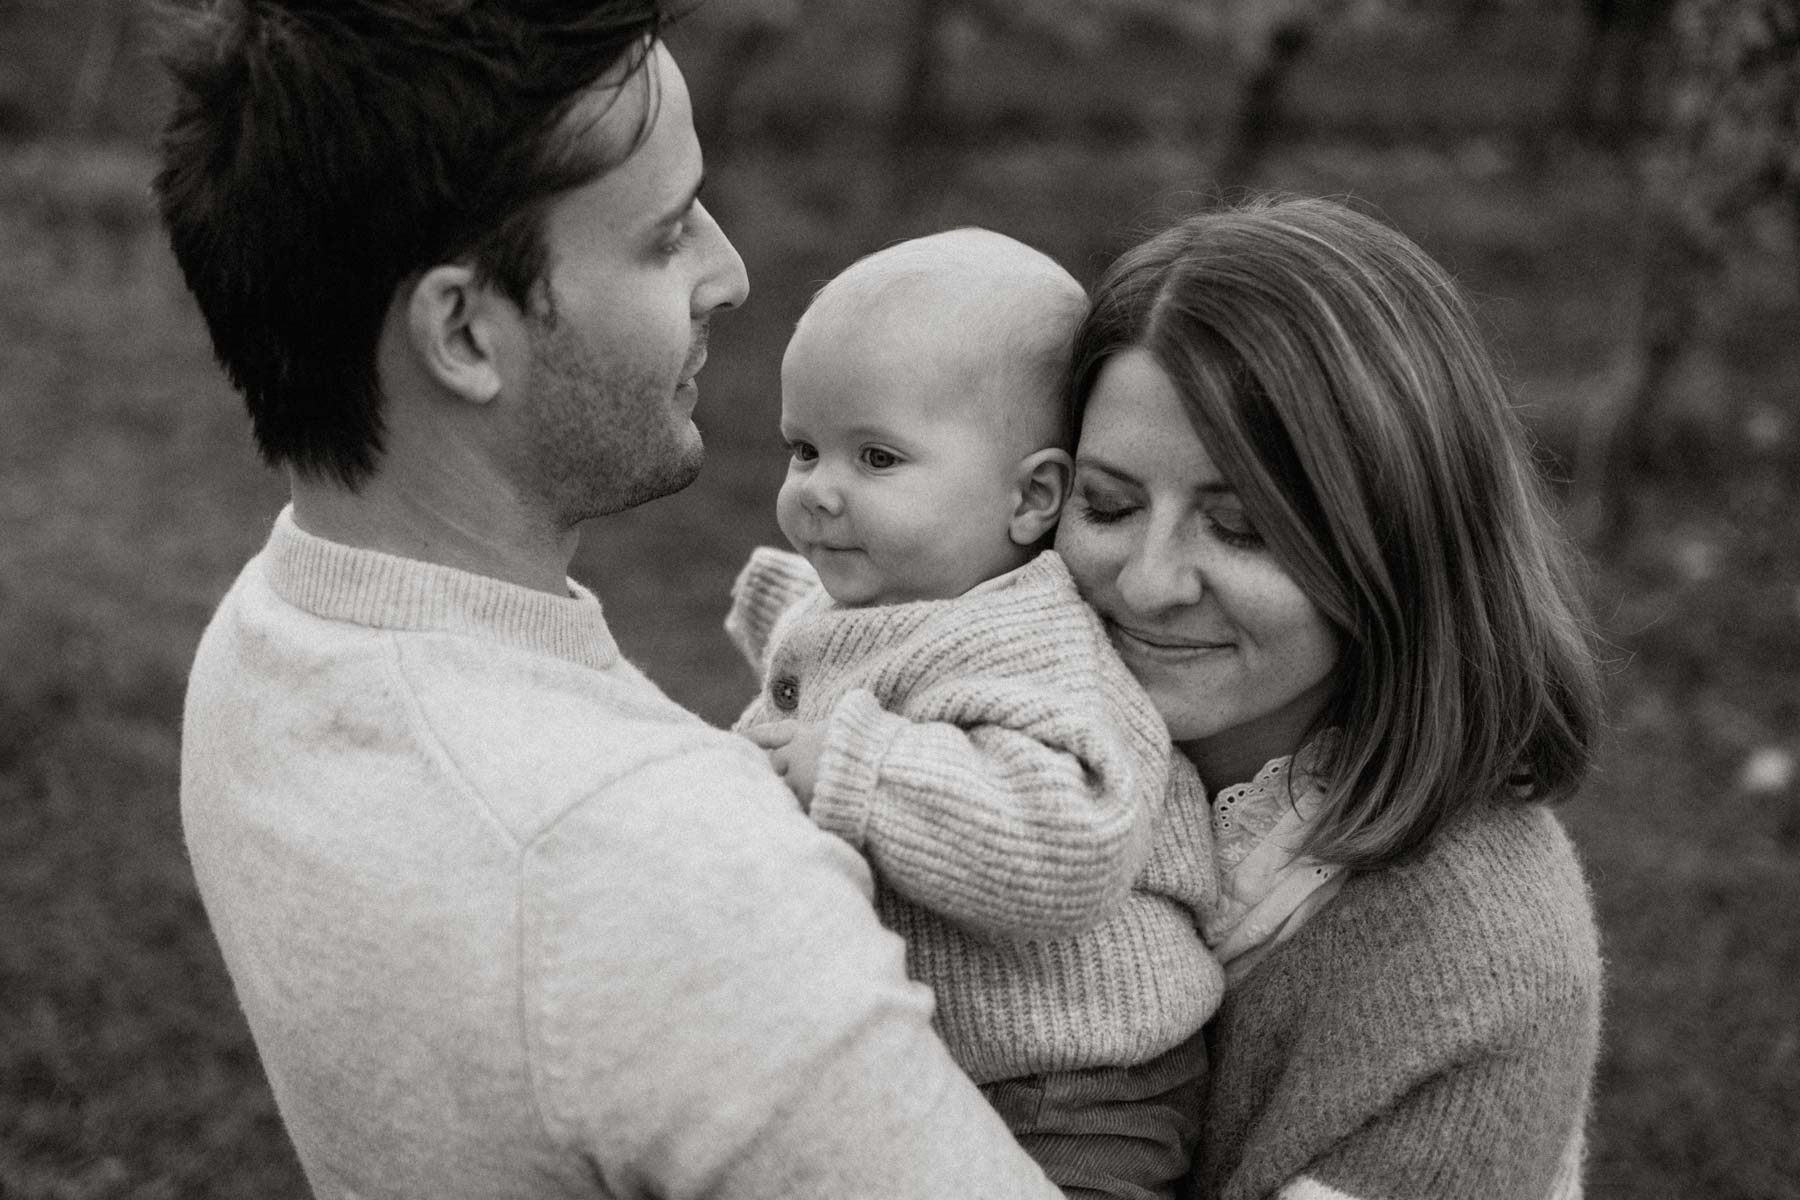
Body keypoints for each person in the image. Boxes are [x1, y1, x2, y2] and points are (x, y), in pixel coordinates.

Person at [156, 3, 1066, 1196]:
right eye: (667, 232)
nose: (730, 276)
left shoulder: (270, 638)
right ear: (466, 332)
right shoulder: (662, 869)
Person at [1054, 196, 1606, 1200]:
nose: (1145, 582)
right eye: (1108, 503)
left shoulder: (1478, 965)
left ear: (1394, 541)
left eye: (1242, 528)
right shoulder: (1024, 739)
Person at [724, 229, 1223, 1200]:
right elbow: (850, 658)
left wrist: (856, 769)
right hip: (951, 1069)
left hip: (1074, 1091)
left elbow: (1068, 841)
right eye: (804, 450)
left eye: (876, 457)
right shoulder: (900, 603)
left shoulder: (1035, 642)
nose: (820, 491)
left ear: (1033, 495)